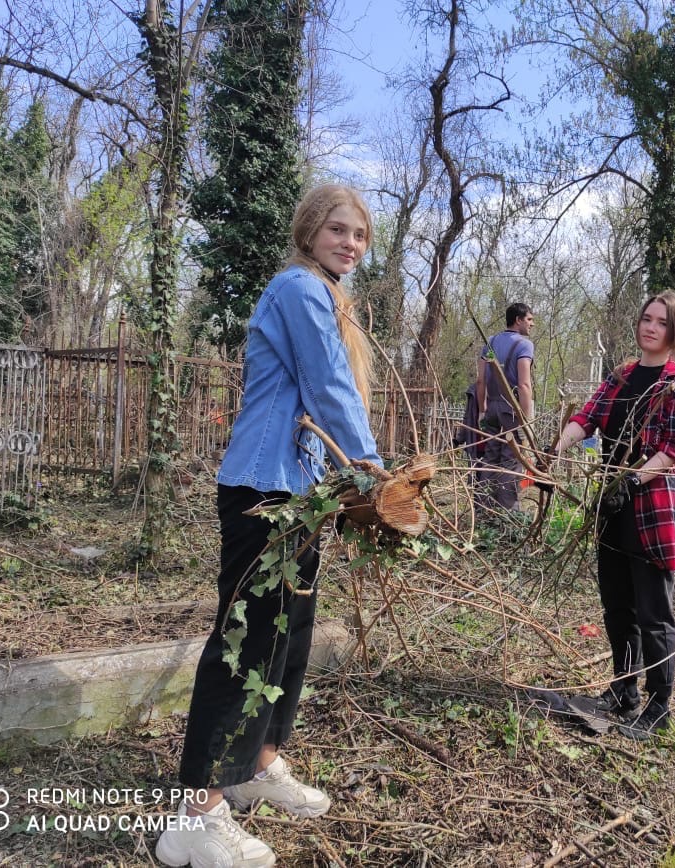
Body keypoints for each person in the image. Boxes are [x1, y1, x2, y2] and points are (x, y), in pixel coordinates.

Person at [156, 184, 382, 868]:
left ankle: (257, 765)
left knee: (289, 639)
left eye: (360, 235)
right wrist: (371, 466)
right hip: (264, 489)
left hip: (303, 492)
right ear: (311, 230)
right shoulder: (297, 289)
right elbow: (327, 387)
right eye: (339, 229)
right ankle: (194, 814)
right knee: (244, 641)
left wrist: (344, 482)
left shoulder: (329, 296)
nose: (350, 242)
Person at [547, 291, 675, 741]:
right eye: (646, 319)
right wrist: (555, 449)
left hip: (653, 511)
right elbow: (587, 418)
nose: (650, 327)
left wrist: (633, 481)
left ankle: (659, 706)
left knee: (653, 613)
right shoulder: (621, 377)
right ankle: (623, 690)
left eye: (661, 322)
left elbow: (674, 449)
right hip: (612, 506)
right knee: (617, 606)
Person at [475, 303, 535, 512]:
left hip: (491, 408)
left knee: (490, 458)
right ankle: (508, 514)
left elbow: (480, 381)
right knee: (512, 460)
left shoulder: (489, 342)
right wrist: (525, 420)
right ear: (518, 320)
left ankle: (482, 510)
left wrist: (482, 409)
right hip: (512, 410)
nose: (532, 324)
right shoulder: (524, 345)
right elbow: (524, 384)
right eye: (529, 319)